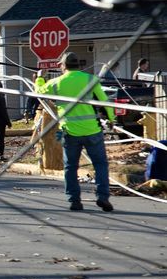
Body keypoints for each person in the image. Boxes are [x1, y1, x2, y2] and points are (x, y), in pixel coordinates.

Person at [35, 52, 116, 212]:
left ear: (63, 66)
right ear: (78, 65)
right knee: (100, 164)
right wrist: (111, 119)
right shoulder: (90, 79)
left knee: (70, 167)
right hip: (92, 130)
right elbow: (104, 101)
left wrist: (39, 78)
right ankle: (103, 197)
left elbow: (39, 92)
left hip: (70, 132)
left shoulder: (56, 83)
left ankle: (74, 200)